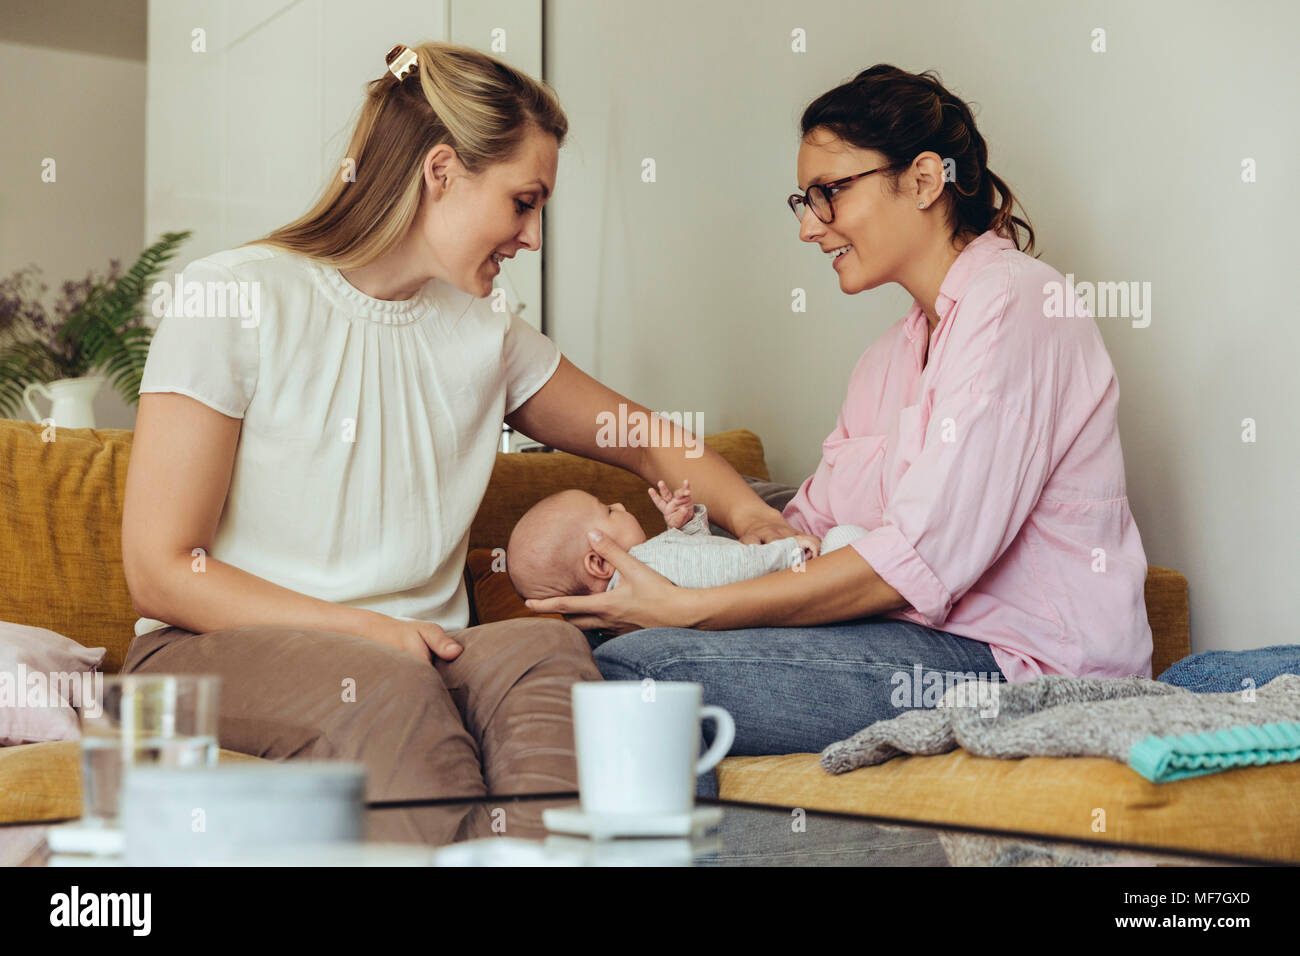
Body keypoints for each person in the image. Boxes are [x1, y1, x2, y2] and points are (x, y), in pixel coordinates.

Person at [119, 42, 804, 804]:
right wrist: (368, 632)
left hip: (427, 650)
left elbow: (643, 437)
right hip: (210, 652)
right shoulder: (234, 297)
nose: (533, 238)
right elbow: (162, 569)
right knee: (382, 688)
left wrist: (749, 515)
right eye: (524, 201)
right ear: (440, 172)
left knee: (547, 651)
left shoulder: (485, 333)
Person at [524, 65, 1154, 787]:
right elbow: (807, 533)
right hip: (904, 643)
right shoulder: (887, 359)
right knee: (578, 658)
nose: (806, 225)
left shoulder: (1019, 305)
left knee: (646, 673)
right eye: (804, 199)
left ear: (923, 181)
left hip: (1018, 665)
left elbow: (918, 563)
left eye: (829, 193)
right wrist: (682, 559)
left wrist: (690, 612)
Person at [506, 479, 870, 599]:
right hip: (788, 578)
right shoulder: (649, 564)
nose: (618, 503)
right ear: (600, 562)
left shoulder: (637, 582)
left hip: (775, 585)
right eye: (607, 511)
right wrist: (790, 551)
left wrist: (685, 527)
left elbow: (698, 561)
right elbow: (730, 567)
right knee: (847, 539)